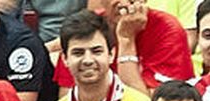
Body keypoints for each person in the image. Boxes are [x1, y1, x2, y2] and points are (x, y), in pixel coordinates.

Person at [63, 0, 194, 94]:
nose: (125, 3)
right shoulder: (85, 27)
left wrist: (126, 40)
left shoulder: (167, 29)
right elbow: (67, 97)